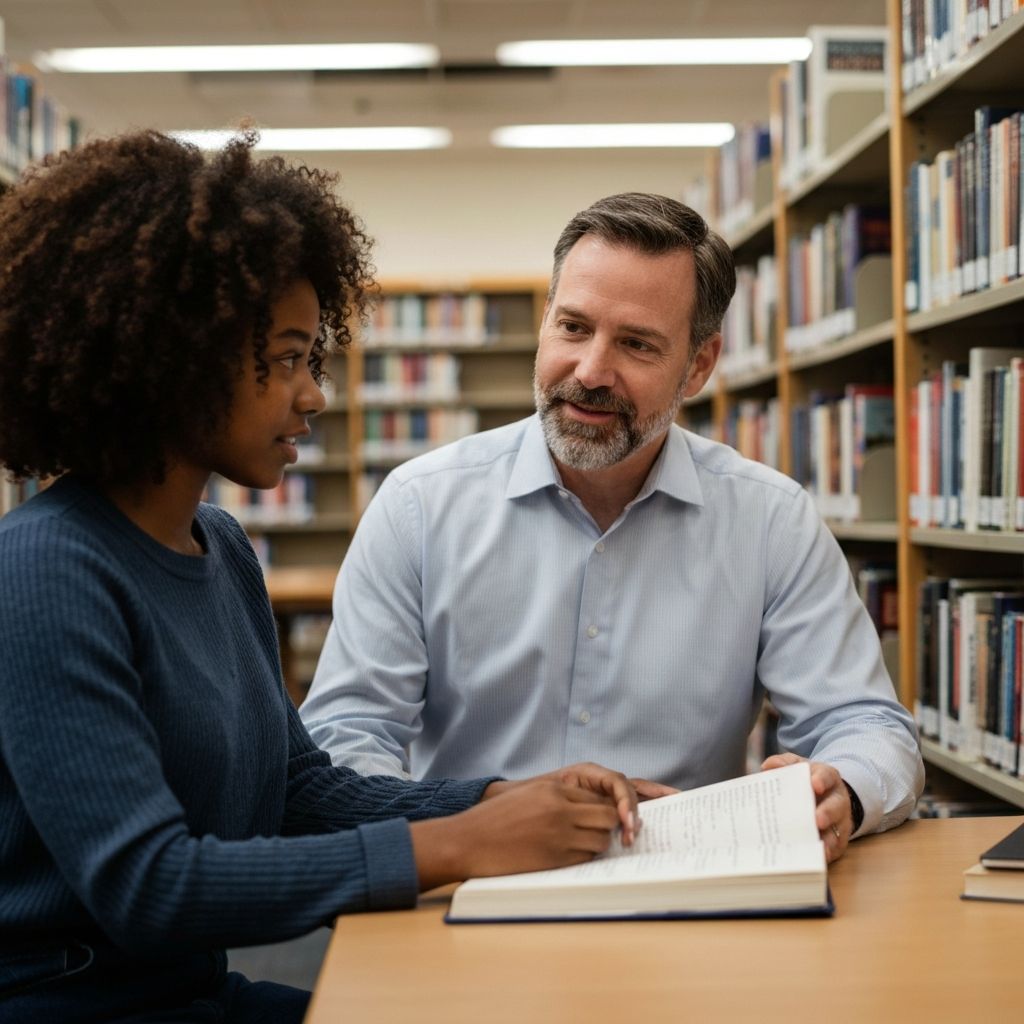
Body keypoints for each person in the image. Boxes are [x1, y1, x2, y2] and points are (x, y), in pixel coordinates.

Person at [0, 133, 663, 1024]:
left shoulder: (221, 549)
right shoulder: (43, 570)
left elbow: (298, 789)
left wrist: (504, 799)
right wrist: (462, 843)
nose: (313, 394)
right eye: (283, 359)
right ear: (172, 357)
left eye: (312, 358)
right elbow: (148, 885)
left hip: (185, 994)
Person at [302, 192, 925, 862]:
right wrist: (466, 822)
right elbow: (347, 733)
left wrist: (844, 792)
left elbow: (865, 724)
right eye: (573, 328)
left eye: (635, 343)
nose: (591, 371)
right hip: (468, 881)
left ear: (699, 365)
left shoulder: (769, 521)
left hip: (687, 889)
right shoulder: (419, 507)